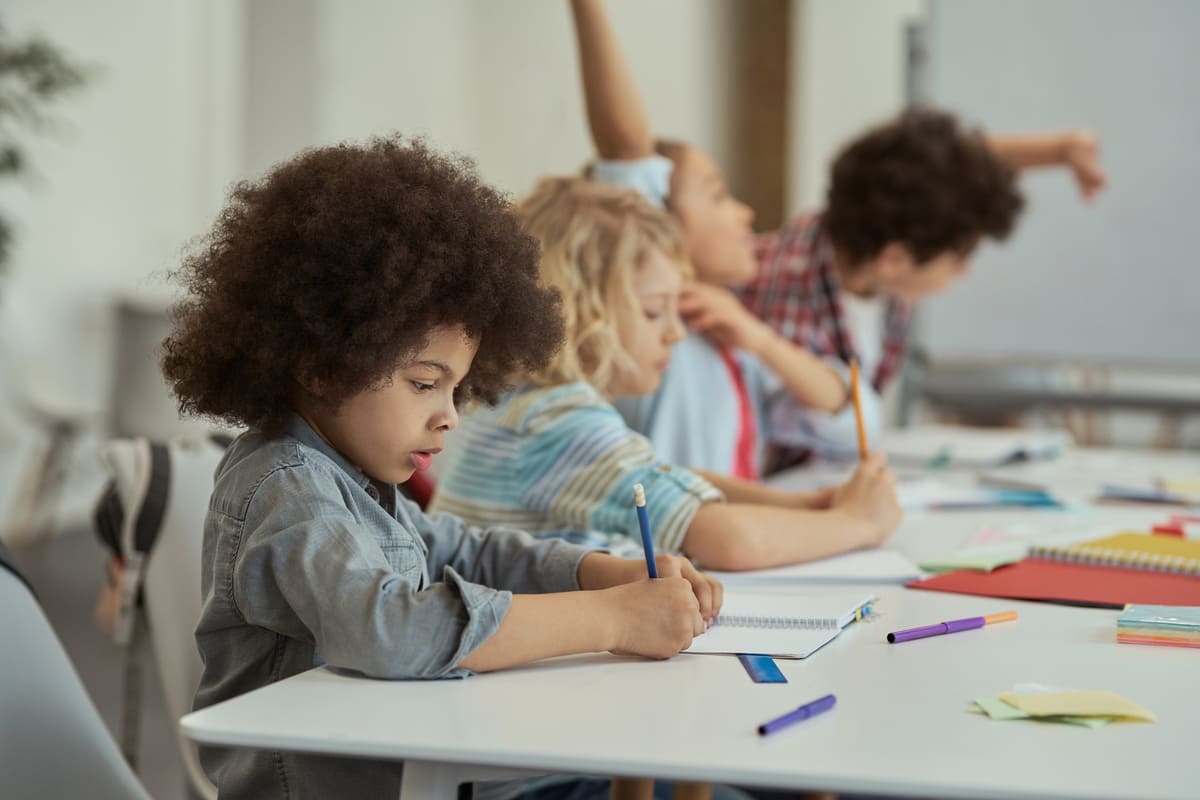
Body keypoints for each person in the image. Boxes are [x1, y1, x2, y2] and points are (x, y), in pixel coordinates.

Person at [161, 136, 722, 800]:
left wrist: (601, 572)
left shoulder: (352, 472)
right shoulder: (290, 488)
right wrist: (613, 619)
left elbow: (463, 550)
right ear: (322, 365)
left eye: (456, 390)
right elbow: (392, 628)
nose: (450, 416)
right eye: (425, 384)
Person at [569, 0, 1107, 472]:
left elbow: (855, 415)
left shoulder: (734, 324)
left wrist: (1057, 152)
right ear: (895, 259)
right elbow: (627, 151)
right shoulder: (701, 309)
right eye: (716, 195)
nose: (748, 216)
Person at [431, 177, 900, 575]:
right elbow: (732, 543)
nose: (676, 333)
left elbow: (663, 476)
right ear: (580, 316)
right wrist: (859, 525)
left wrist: (810, 505)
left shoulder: (524, 402)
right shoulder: (558, 421)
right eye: (656, 312)